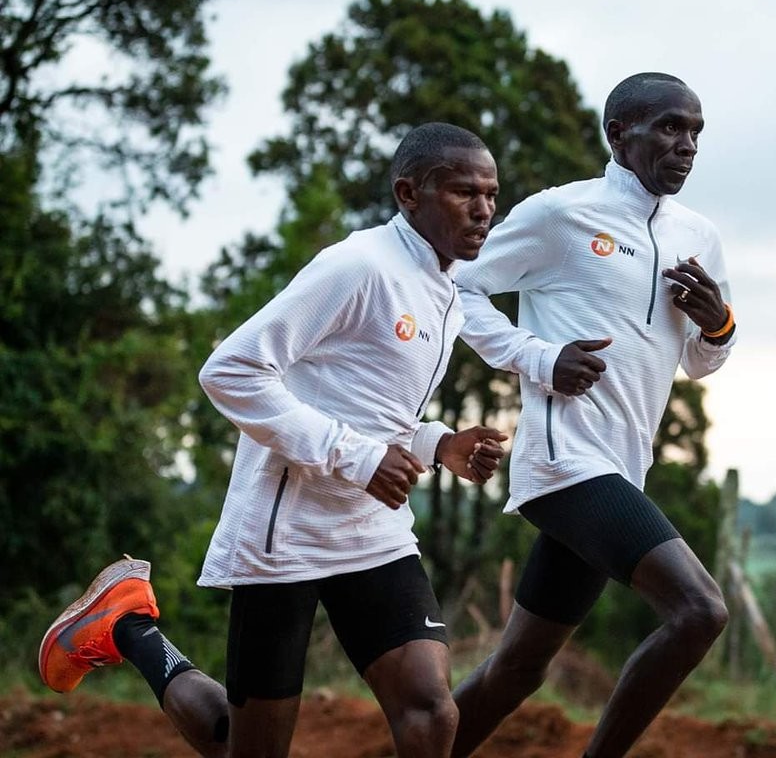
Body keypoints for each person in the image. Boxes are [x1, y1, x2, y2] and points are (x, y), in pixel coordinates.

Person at [38, 123, 509, 758]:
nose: (483, 210)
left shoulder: (445, 291)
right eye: (463, 192)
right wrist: (359, 457)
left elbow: (369, 407)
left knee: (431, 712)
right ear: (408, 193)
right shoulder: (359, 266)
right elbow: (230, 371)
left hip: (371, 529)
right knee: (246, 748)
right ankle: (129, 629)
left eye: (491, 194)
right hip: (286, 535)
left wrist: (438, 445)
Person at [451, 73, 737, 758]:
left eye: (695, 132)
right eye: (670, 127)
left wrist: (718, 324)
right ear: (618, 134)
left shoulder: (698, 236)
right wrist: (538, 357)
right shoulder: (562, 214)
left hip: (622, 469)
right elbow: (456, 287)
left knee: (518, 668)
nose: (687, 145)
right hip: (564, 464)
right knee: (700, 611)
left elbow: (703, 363)